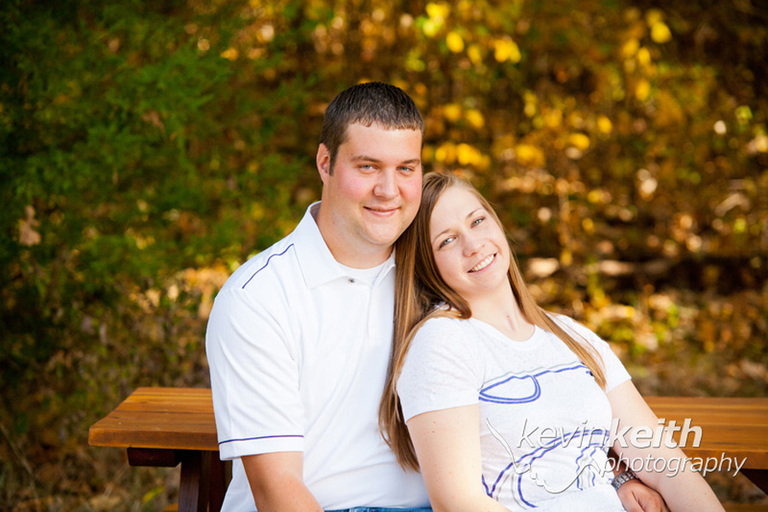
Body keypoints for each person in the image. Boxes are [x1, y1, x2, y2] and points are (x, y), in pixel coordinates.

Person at [207, 82, 666, 512]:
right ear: (325, 163)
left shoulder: (436, 272)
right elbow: (277, 489)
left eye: (405, 168)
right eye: (368, 167)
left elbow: (529, 390)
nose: (388, 191)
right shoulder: (260, 297)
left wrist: (607, 476)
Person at [380, 172, 725, 512]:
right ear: (426, 266)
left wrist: (620, 478)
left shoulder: (571, 335)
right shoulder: (440, 343)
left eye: (478, 221)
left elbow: (666, 465)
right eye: (447, 240)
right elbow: (458, 502)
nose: (474, 245)